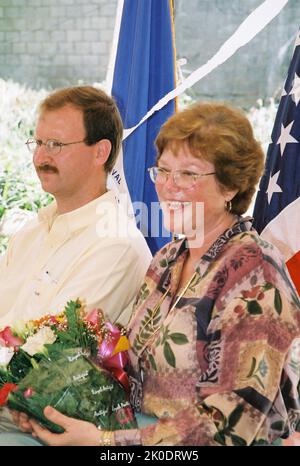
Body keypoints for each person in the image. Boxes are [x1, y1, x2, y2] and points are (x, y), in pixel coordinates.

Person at [6, 102, 300, 446]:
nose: (169, 186)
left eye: (188, 174)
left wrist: (106, 443)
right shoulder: (167, 260)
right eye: (162, 170)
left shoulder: (254, 270)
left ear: (230, 186)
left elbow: (232, 422)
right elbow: (129, 372)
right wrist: (46, 403)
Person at [0, 86, 152, 433]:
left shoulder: (117, 245)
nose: (40, 157)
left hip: (33, 427)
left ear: (101, 152)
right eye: (37, 143)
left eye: (56, 145)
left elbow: (42, 362)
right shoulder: (30, 235)